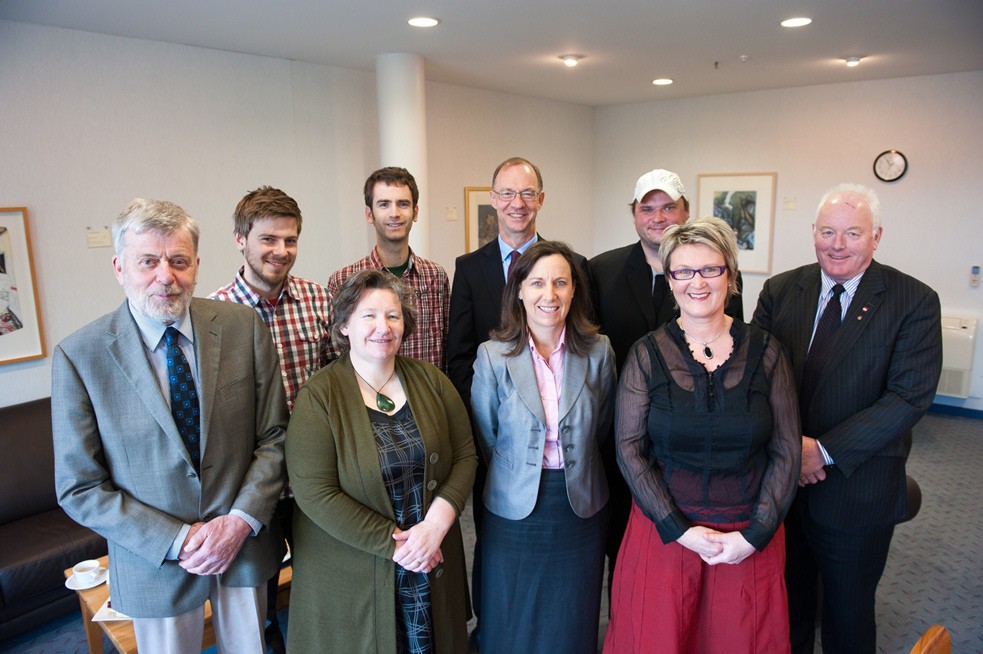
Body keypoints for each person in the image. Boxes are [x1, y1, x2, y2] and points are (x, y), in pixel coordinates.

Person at [52, 198, 287, 654]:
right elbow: (79, 487)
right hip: (154, 562)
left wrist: (238, 522)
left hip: (241, 546)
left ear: (197, 265)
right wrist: (179, 540)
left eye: (179, 261)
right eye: (148, 262)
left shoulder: (243, 327)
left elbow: (275, 436)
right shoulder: (80, 357)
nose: (166, 275)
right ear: (119, 267)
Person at [752, 183, 943, 654]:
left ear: (876, 237)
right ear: (813, 233)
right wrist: (791, 447)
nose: (837, 245)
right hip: (783, 486)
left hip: (858, 490)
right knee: (786, 605)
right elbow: (754, 375)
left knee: (848, 615)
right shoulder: (781, 290)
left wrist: (822, 450)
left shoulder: (914, 301)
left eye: (852, 233)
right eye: (828, 232)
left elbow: (907, 398)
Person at [604, 216, 800, 654]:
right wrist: (680, 530)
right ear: (670, 279)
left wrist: (755, 535)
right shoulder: (647, 354)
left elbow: (787, 450)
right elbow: (629, 450)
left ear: (729, 275)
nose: (697, 282)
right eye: (683, 271)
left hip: (748, 538)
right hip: (666, 535)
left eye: (710, 269)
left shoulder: (767, 352)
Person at [285, 269, 477, 654]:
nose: (382, 327)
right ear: (343, 326)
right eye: (368, 316)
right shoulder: (319, 396)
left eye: (393, 315)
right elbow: (314, 492)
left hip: (430, 557)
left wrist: (434, 528)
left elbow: (464, 454)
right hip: (357, 572)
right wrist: (401, 546)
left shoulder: (432, 380)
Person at [445, 157, 589, 649]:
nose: (517, 204)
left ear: (541, 200)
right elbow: (459, 355)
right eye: (507, 194)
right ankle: (494, 630)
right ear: (493, 199)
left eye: (527, 194)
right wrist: (497, 444)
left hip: (566, 459)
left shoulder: (572, 266)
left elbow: (591, 383)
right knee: (498, 559)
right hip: (503, 447)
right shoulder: (469, 268)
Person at [589, 168, 745, 594]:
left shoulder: (714, 275)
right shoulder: (600, 271)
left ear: (686, 211)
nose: (658, 217)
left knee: (689, 552)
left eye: (668, 206)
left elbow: (732, 351)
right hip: (623, 436)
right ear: (634, 214)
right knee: (622, 544)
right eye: (647, 208)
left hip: (689, 439)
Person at [471, 241, 616, 654]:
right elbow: (488, 435)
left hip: (580, 505)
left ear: (574, 291)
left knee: (573, 610)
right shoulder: (493, 356)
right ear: (518, 290)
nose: (548, 295)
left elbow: (602, 425)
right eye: (537, 283)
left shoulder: (600, 351)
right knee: (511, 610)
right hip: (514, 506)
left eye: (560, 283)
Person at [209, 185, 332, 652]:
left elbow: (337, 384)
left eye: (290, 240)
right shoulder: (213, 314)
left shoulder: (319, 301)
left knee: (316, 583)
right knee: (255, 600)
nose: (281, 251)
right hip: (250, 485)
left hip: (312, 478)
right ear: (241, 238)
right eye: (268, 239)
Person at [328, 167, 450, 371]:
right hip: (365, 396)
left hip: (426, 397)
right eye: (384, 204)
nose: (395, 213)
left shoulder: (435, 277)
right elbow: (336, 354)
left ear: (415, 212)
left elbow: (447, 347)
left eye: (403, 204)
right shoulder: (343, 280)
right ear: (369, 214)